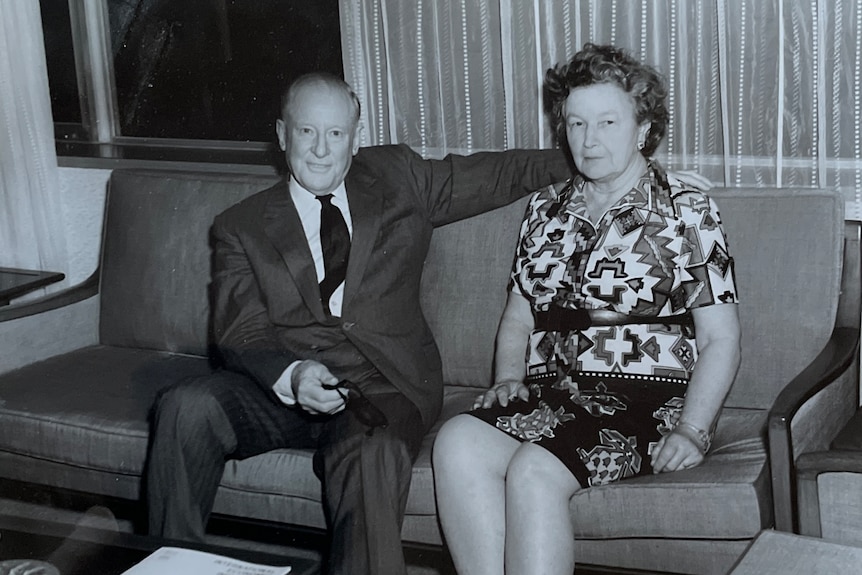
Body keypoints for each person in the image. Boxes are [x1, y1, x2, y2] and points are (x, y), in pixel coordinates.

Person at [144, 72, 575, 575]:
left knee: (371, 451)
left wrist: (597, 159)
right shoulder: (241, 225)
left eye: (335, 134)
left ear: (355, 136)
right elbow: (241, 333)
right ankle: (165, 567)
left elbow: (501, 173)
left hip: (382, 384)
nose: (321, 150)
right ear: (283, 135)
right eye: (307, 132)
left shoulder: (399, 178)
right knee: (184, 406)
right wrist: (294, 375)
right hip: (282, 388)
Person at [432, 43, 741, 575]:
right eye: (576, 123)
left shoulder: (686, 210)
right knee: (457, 440)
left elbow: (721, 338)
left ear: (642, 128)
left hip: (646, 399)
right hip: (557, 394)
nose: (589, 139)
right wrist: (508, 377)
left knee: (535, 467)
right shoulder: (544, 209)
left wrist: (693, 428)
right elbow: (518, 317)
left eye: (606, 122)